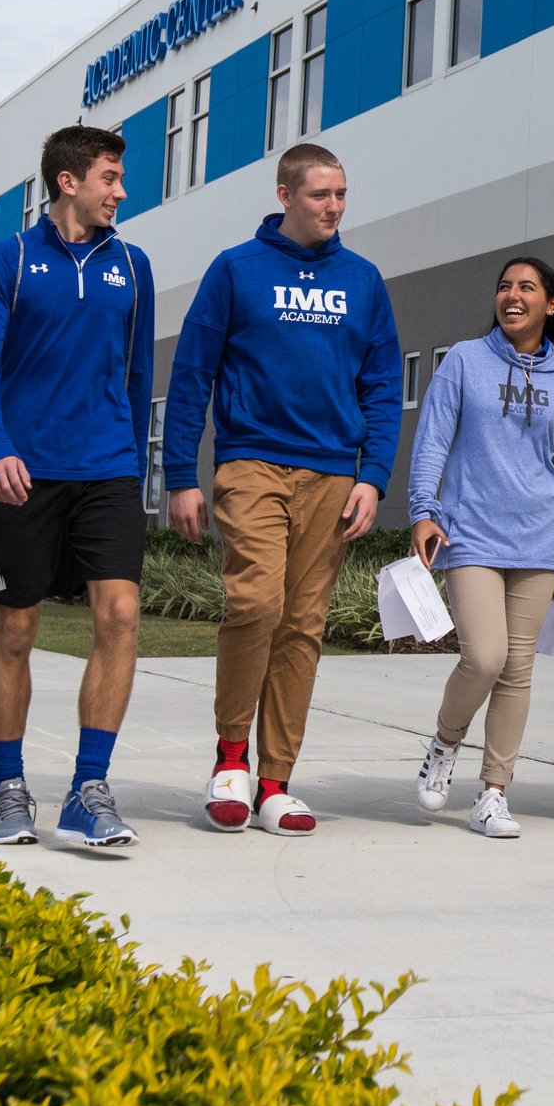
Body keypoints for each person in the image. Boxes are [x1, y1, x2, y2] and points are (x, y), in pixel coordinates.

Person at [163, 142, 403, 835]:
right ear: (285, 194)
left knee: (303, 627)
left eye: (341, 194)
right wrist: (182, 475)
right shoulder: (237, 270)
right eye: (320, 194)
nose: (334, 207)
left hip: (333, 471)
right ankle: (230, 756)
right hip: (253, 462)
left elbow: (383, 386)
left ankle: (275, 782)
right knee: (256, 603)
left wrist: (373, 477)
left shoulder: (363, 280)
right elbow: (191, 376)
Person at [0, 124, 157, 852]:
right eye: (111, 176)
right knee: (16, 628)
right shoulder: (6, 262)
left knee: (121, 617)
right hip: (25, 474)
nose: (121, 191)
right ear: (69, 181)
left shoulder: (132, 268)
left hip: (107, 468)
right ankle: (9, 787)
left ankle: (88, 789)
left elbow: (138, 375)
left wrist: (134, 464)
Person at [405, 257, 554, 839]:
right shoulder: (464, 360)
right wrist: (422, 511)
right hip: (471, 534)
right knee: (485, 657)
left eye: (526, 288)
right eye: (504, 287)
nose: (511, 296)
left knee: (516, 672)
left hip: (540, 540)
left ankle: (493, 792)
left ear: (551, 304)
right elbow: (432, 440)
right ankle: (443, 744)